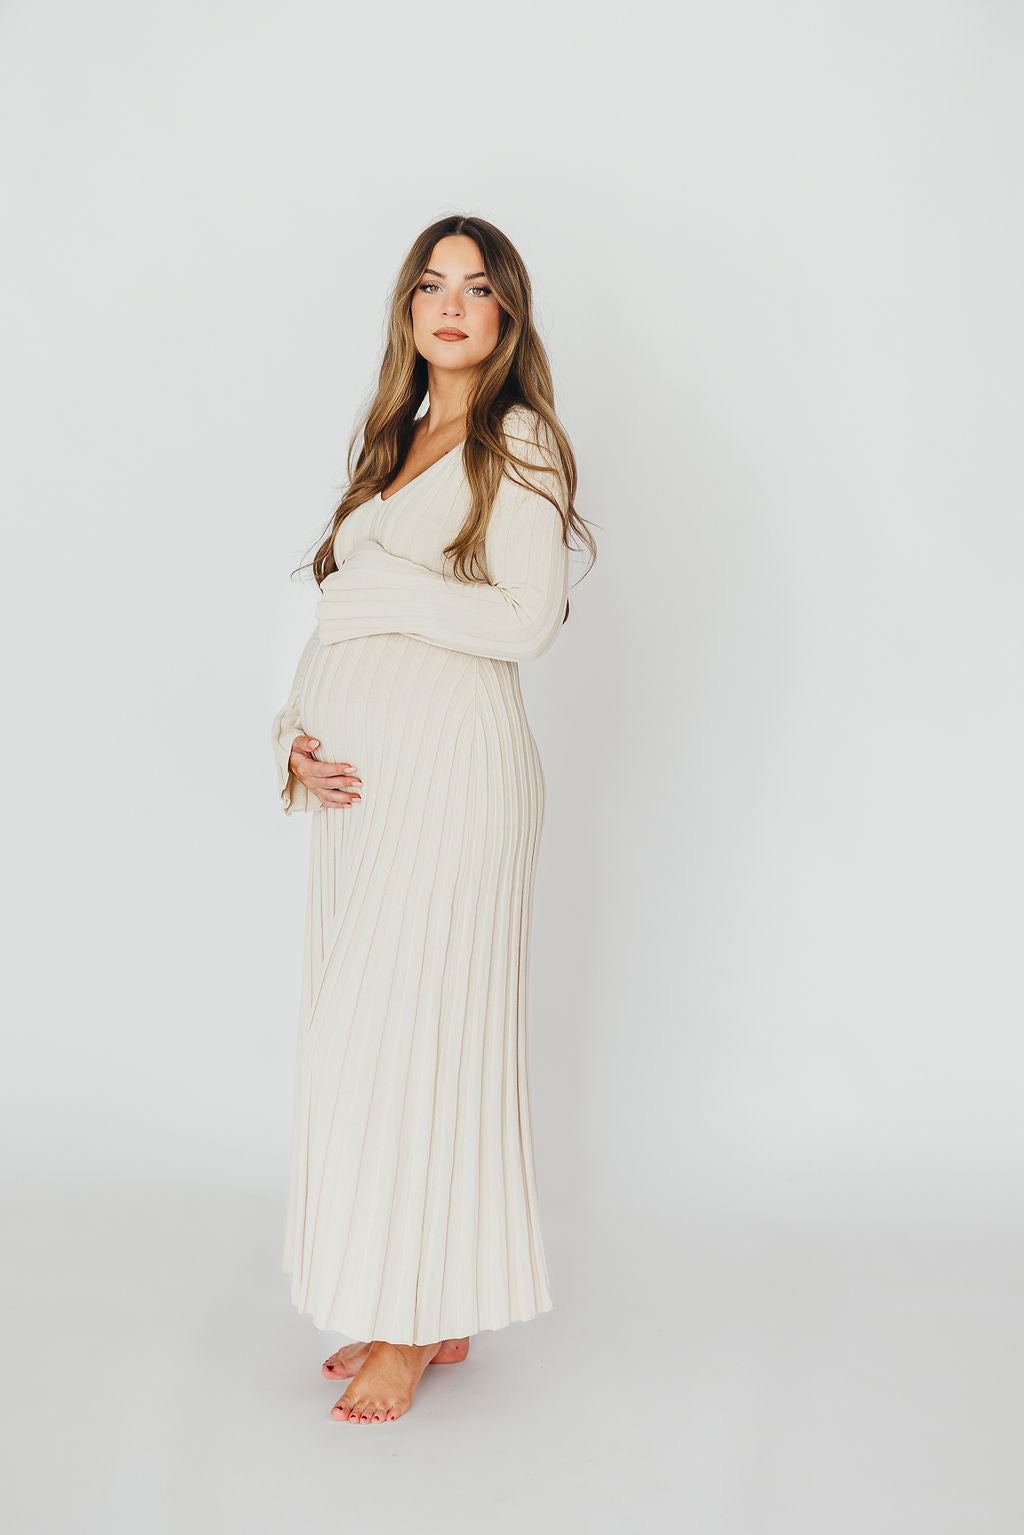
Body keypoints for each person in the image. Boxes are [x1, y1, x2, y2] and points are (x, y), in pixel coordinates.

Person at [270, 213, 595, 1424]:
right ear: (408, 310)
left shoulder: (519, 441)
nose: (450, 304)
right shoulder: (395, 440)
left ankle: (406, 1324)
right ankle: (430, 1295)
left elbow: (522, 619)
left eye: (476, 287)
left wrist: (377, 590)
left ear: (507, 316)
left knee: (414, 1036)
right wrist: (294, 735)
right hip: (364, 795)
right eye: (429, 283)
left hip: (457, 780)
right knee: (368, 1038)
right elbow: (334, 623)